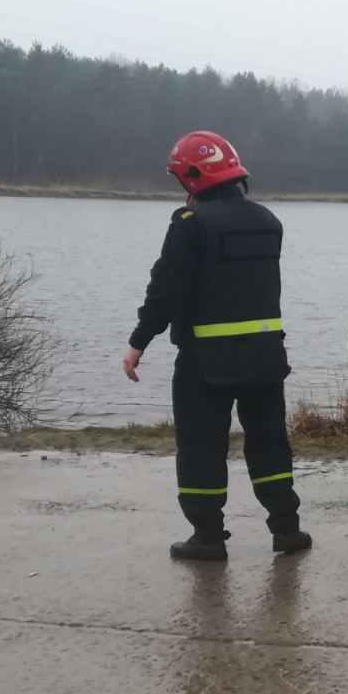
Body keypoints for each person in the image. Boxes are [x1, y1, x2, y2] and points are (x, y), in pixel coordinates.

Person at [123, 131, 312, 561]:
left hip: (205, 363)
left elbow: (166, 290)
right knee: (268, 442)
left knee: (201, 446)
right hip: (266, 360)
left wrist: (139, 341)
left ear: (193, 178)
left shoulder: (190, 225)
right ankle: (287, 529)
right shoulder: (268, 221)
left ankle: (207, 537)